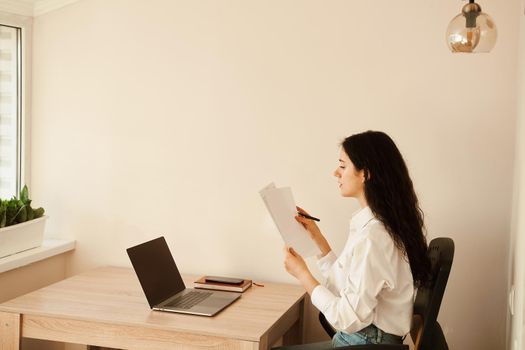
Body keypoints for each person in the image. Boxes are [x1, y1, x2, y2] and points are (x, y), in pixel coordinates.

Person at [283, 130, 430, 346]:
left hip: (366, 342)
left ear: (365, 174)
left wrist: (303, 275)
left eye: (343, 166)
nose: (336, 173)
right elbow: (348, 285)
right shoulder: (377, 226)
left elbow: (347, 317)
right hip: (367, 338)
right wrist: (317, 237)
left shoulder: (374, 236)